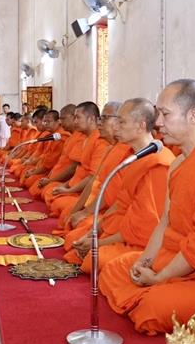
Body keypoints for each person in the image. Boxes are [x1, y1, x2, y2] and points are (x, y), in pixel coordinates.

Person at [99, 79, 195, 335]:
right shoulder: (178, 163)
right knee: (113, 270)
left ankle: (161, 292)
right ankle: (156, 288)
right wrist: (146, 262)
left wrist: (161, 278)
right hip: (175, 257)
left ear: (194, 115)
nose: (158, 122)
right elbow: (165, 222)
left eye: (165, 114)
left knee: (152, 308)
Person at [64, 98, 175, 273]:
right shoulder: (132, 156)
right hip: (121, 224)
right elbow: (120, 201)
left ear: (140, 126)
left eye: (121, 121)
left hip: (140, 240)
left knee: (94, 260)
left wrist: (97, 242)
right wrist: (95, 232)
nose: (116, 126)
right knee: (75, 242)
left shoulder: (158, 164)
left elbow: (147, 225)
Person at [46, 102, 117, 218]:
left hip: (93, 201)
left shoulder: (102, 143)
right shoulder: (92, 140)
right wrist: (65, 186)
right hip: (82, 193)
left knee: (68, 216)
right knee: (50, 193)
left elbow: (96, 181)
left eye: (78, 118)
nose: (75, 122)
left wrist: (70, 191)